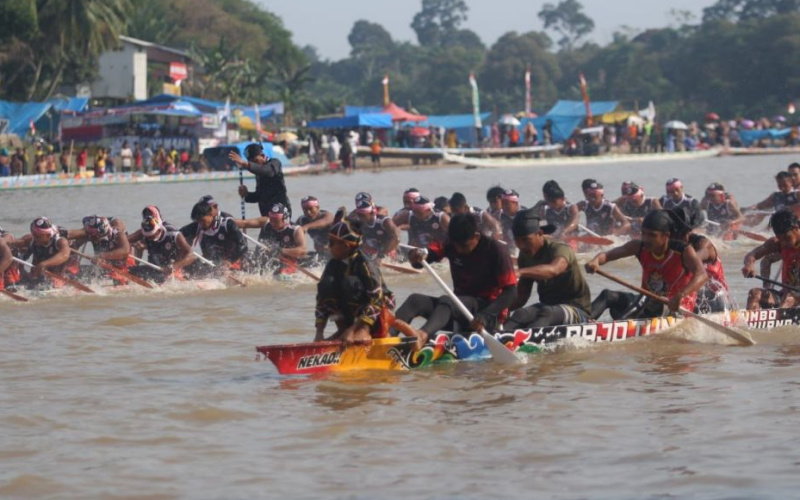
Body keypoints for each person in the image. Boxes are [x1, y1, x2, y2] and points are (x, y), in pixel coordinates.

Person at [396, 213, 518, 336]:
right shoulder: (450, 243)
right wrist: (416, 256)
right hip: (458, 308)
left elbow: (511, 293)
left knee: (448, 301)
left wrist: (486, 315)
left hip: (486, 315)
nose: (459, 250)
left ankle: (422, 335)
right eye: (456, 245)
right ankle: (385, 337)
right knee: (415, 300)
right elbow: (426, 256)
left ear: (476, 236)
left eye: (464, 246)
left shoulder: (496, 251)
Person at [314, 217, 426, 349]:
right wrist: (319, 333)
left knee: (350, 283)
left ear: (346, 245)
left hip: (378, 307)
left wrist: (358, 328)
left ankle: (364, 330)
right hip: (352, 310)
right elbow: (322, 299)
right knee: (326, 285)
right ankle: (342, 329)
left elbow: (376, 300)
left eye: (332, 243)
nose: (328, 246)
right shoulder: (333, 265)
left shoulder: (365, 264)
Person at [586, 210, 708, 319]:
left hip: (675, 307)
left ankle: (620, 324)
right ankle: (582, 322)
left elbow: (702, 275)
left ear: (666, 236)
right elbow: (607, 256)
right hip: (645, 303)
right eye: (643, 233)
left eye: (652, 235)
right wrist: (595, 261)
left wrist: (681, 295)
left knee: (646, 299)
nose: (646, 239)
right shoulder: (638, 247)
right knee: (608, 295)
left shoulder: (682, 251)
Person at [504, 210, 592, 329]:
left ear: (540, 234)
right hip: (548, 306)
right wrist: (501, 309)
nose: (521, 246)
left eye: (525, 240)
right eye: (517, 241)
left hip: (577, 309)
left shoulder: (560, 248)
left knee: (547, 313)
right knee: (521, 314)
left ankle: (528, 344)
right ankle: (498, 337)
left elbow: (553, 270)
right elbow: (522, 296)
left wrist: (519, 272)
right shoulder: (524, 257)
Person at [668, 207, 730, 313]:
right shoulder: (671, 245)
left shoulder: (704, 244)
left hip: (714, 297)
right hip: (687, 295)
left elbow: (700, 255)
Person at [742, 210, 800, 310]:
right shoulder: (779, 243)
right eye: (780, 238)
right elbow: (752, 255)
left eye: (786, 238)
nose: (784, 243)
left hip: (792, 298)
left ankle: (779, 318)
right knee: (754, 294)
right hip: (786, 295)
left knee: (788, 298)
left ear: (795, 229)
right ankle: (746, 323)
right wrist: (749, 265)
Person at [241, 203, 307, 275]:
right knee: (245, 262)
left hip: (288, 262)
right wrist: (228, 221)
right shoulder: (266, 222)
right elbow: (244, 223)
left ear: (285, 219)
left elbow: (303, 251)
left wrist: (280, 251)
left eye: (275, 220)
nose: (272, 223)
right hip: (269, 261)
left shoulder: (296, 230)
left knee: (280, 274)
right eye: (271, 219)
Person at [229, 143, 291, 218]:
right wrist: (246, 194)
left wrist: (245, 164)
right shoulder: (258, 173)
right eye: (252, 162)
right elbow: (259, 196)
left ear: (263, 156)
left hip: (281, 215)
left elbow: (268, 171)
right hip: (267, 216)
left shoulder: (275, 163)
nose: (254, 164)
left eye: (255, 161)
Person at [128, 216, 196, 283]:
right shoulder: (144, 232)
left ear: (159, 230)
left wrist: (174, 266)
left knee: (160, 276)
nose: (149, 238)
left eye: (151, 235)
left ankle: (179, 278)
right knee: (129, 270)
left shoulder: (174, 235)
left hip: (174, 270)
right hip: (156, 268)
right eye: (147, 236)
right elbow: (127, 240)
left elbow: (191, 256)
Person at [190, 201, 248, 274]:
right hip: (222, 264)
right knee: (195, 264)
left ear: (211, 215)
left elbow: (243, 246)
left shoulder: (227, 224)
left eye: (203, 220)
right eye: (199, 221)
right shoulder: (202, 232)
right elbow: (208, 255)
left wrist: (229, 261)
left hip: (237, 259)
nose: (201, 224)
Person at [15, 218, 72, 289]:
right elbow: (21, 260)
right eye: (33, 234)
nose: (35, 238)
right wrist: (22, 272)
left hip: (57, 277)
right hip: (38, 276)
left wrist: (44, 264)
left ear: (48, 235)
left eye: (38, 236)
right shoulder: (33, 242)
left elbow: (64, 255)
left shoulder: (60, 241)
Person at [351, 194, 400, 261]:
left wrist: (382, 255)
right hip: (369, 251)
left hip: (386, 252)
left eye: (362, 215)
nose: (359, 217)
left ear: (371, 213)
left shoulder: (384, 221)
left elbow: (397, 237)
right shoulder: (359, 221)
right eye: (359, 215)